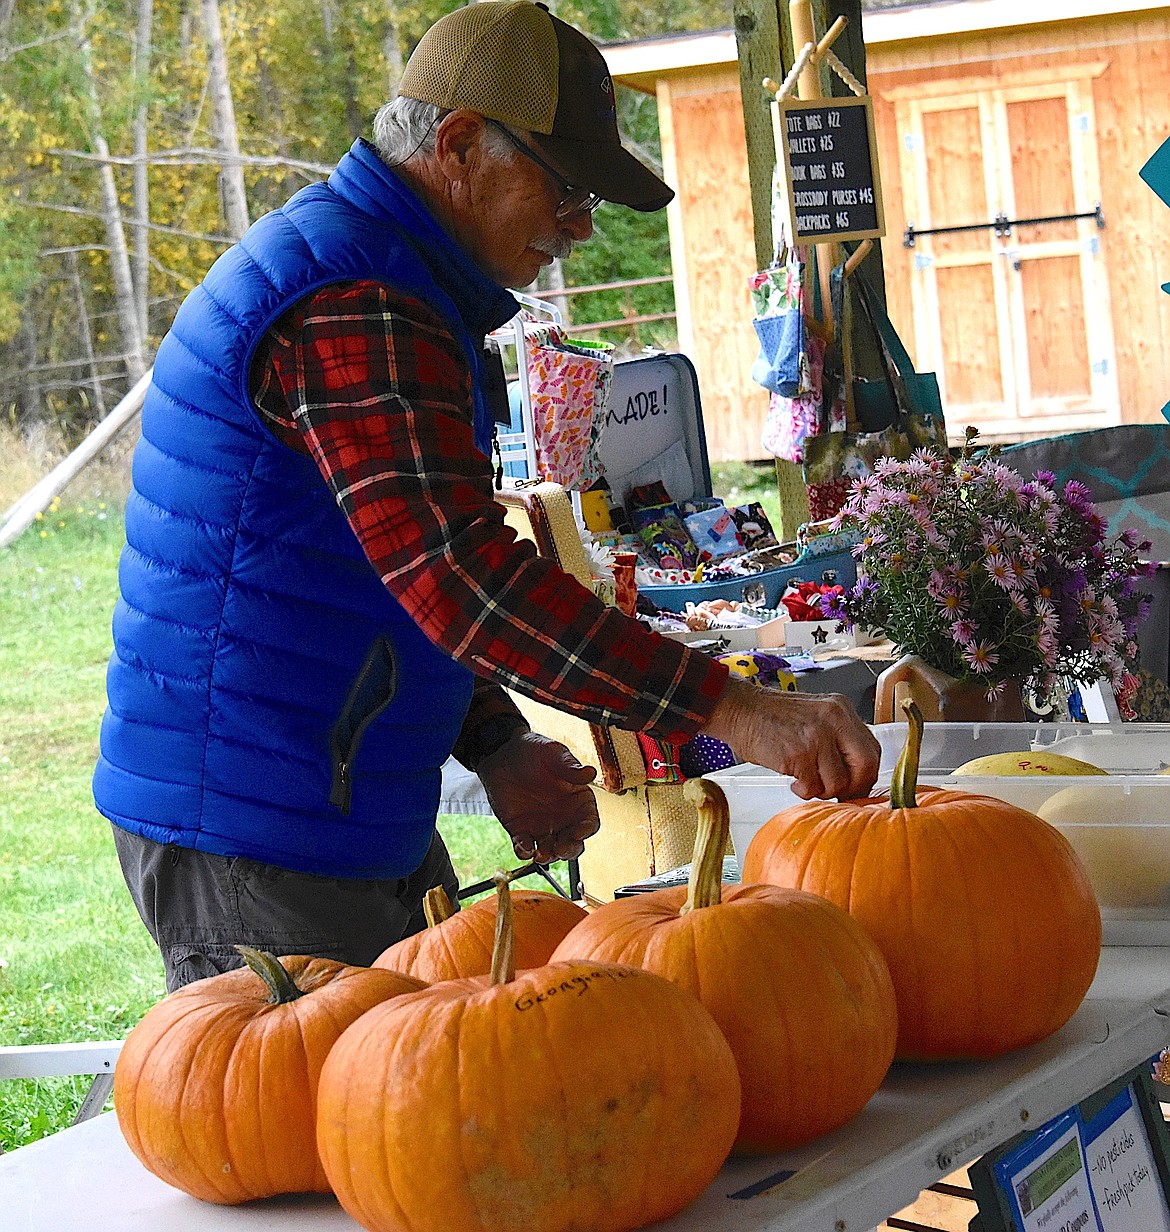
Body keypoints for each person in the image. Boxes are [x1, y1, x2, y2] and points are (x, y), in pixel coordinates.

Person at [94, 0, 880, 992]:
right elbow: (462, 578)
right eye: (565, 190)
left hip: (331, 803)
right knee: (304, 1116)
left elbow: (390, 568)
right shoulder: (356, 299)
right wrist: (729, 704)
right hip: (257, 819)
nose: (580, 227)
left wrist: (496, 740)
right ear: (460, 144)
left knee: (414, 1086)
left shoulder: (395, 281)